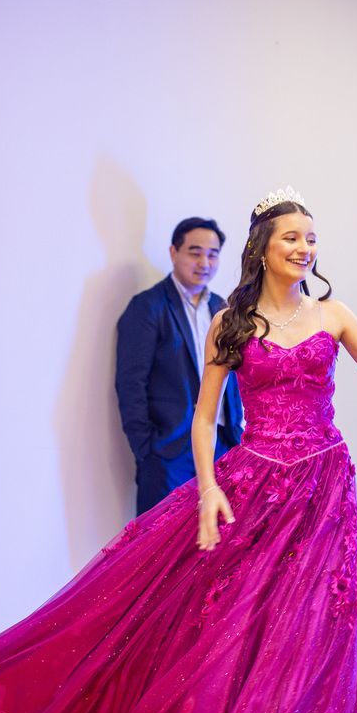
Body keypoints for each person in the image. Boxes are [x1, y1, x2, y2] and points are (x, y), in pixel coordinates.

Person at [0, 187, 357, 713]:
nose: (305, 248)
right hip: (257, 480)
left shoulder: (333, 314)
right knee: (235, 614)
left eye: (311, 239)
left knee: (319, 615)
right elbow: (203, 417)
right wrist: (209, 488)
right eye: (292, 238)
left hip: (323, 484)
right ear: (262, 247)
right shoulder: (231, 322)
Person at [116, 216, 245, 515]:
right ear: (174, 253)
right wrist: (147, 449)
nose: (204, 263)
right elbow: (130, 383)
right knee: (162, 539)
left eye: (212, 255)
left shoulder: (223, 309)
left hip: (221, 447)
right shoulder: (148, 307)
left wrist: (236, 432)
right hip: (170, 452)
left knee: (219, 537)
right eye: (195, 253)